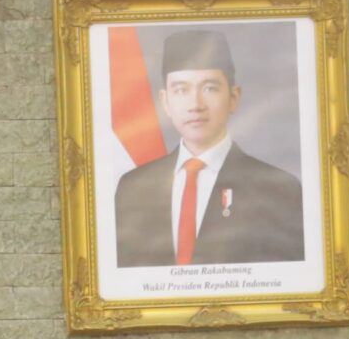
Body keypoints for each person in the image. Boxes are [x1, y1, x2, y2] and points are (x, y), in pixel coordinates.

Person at [112, 29, 305, 268]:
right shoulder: (132, 188)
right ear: (165, 102)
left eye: (210, 88)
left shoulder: (278, 189)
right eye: (181, 90)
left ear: (233, 97)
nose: (195, 105)